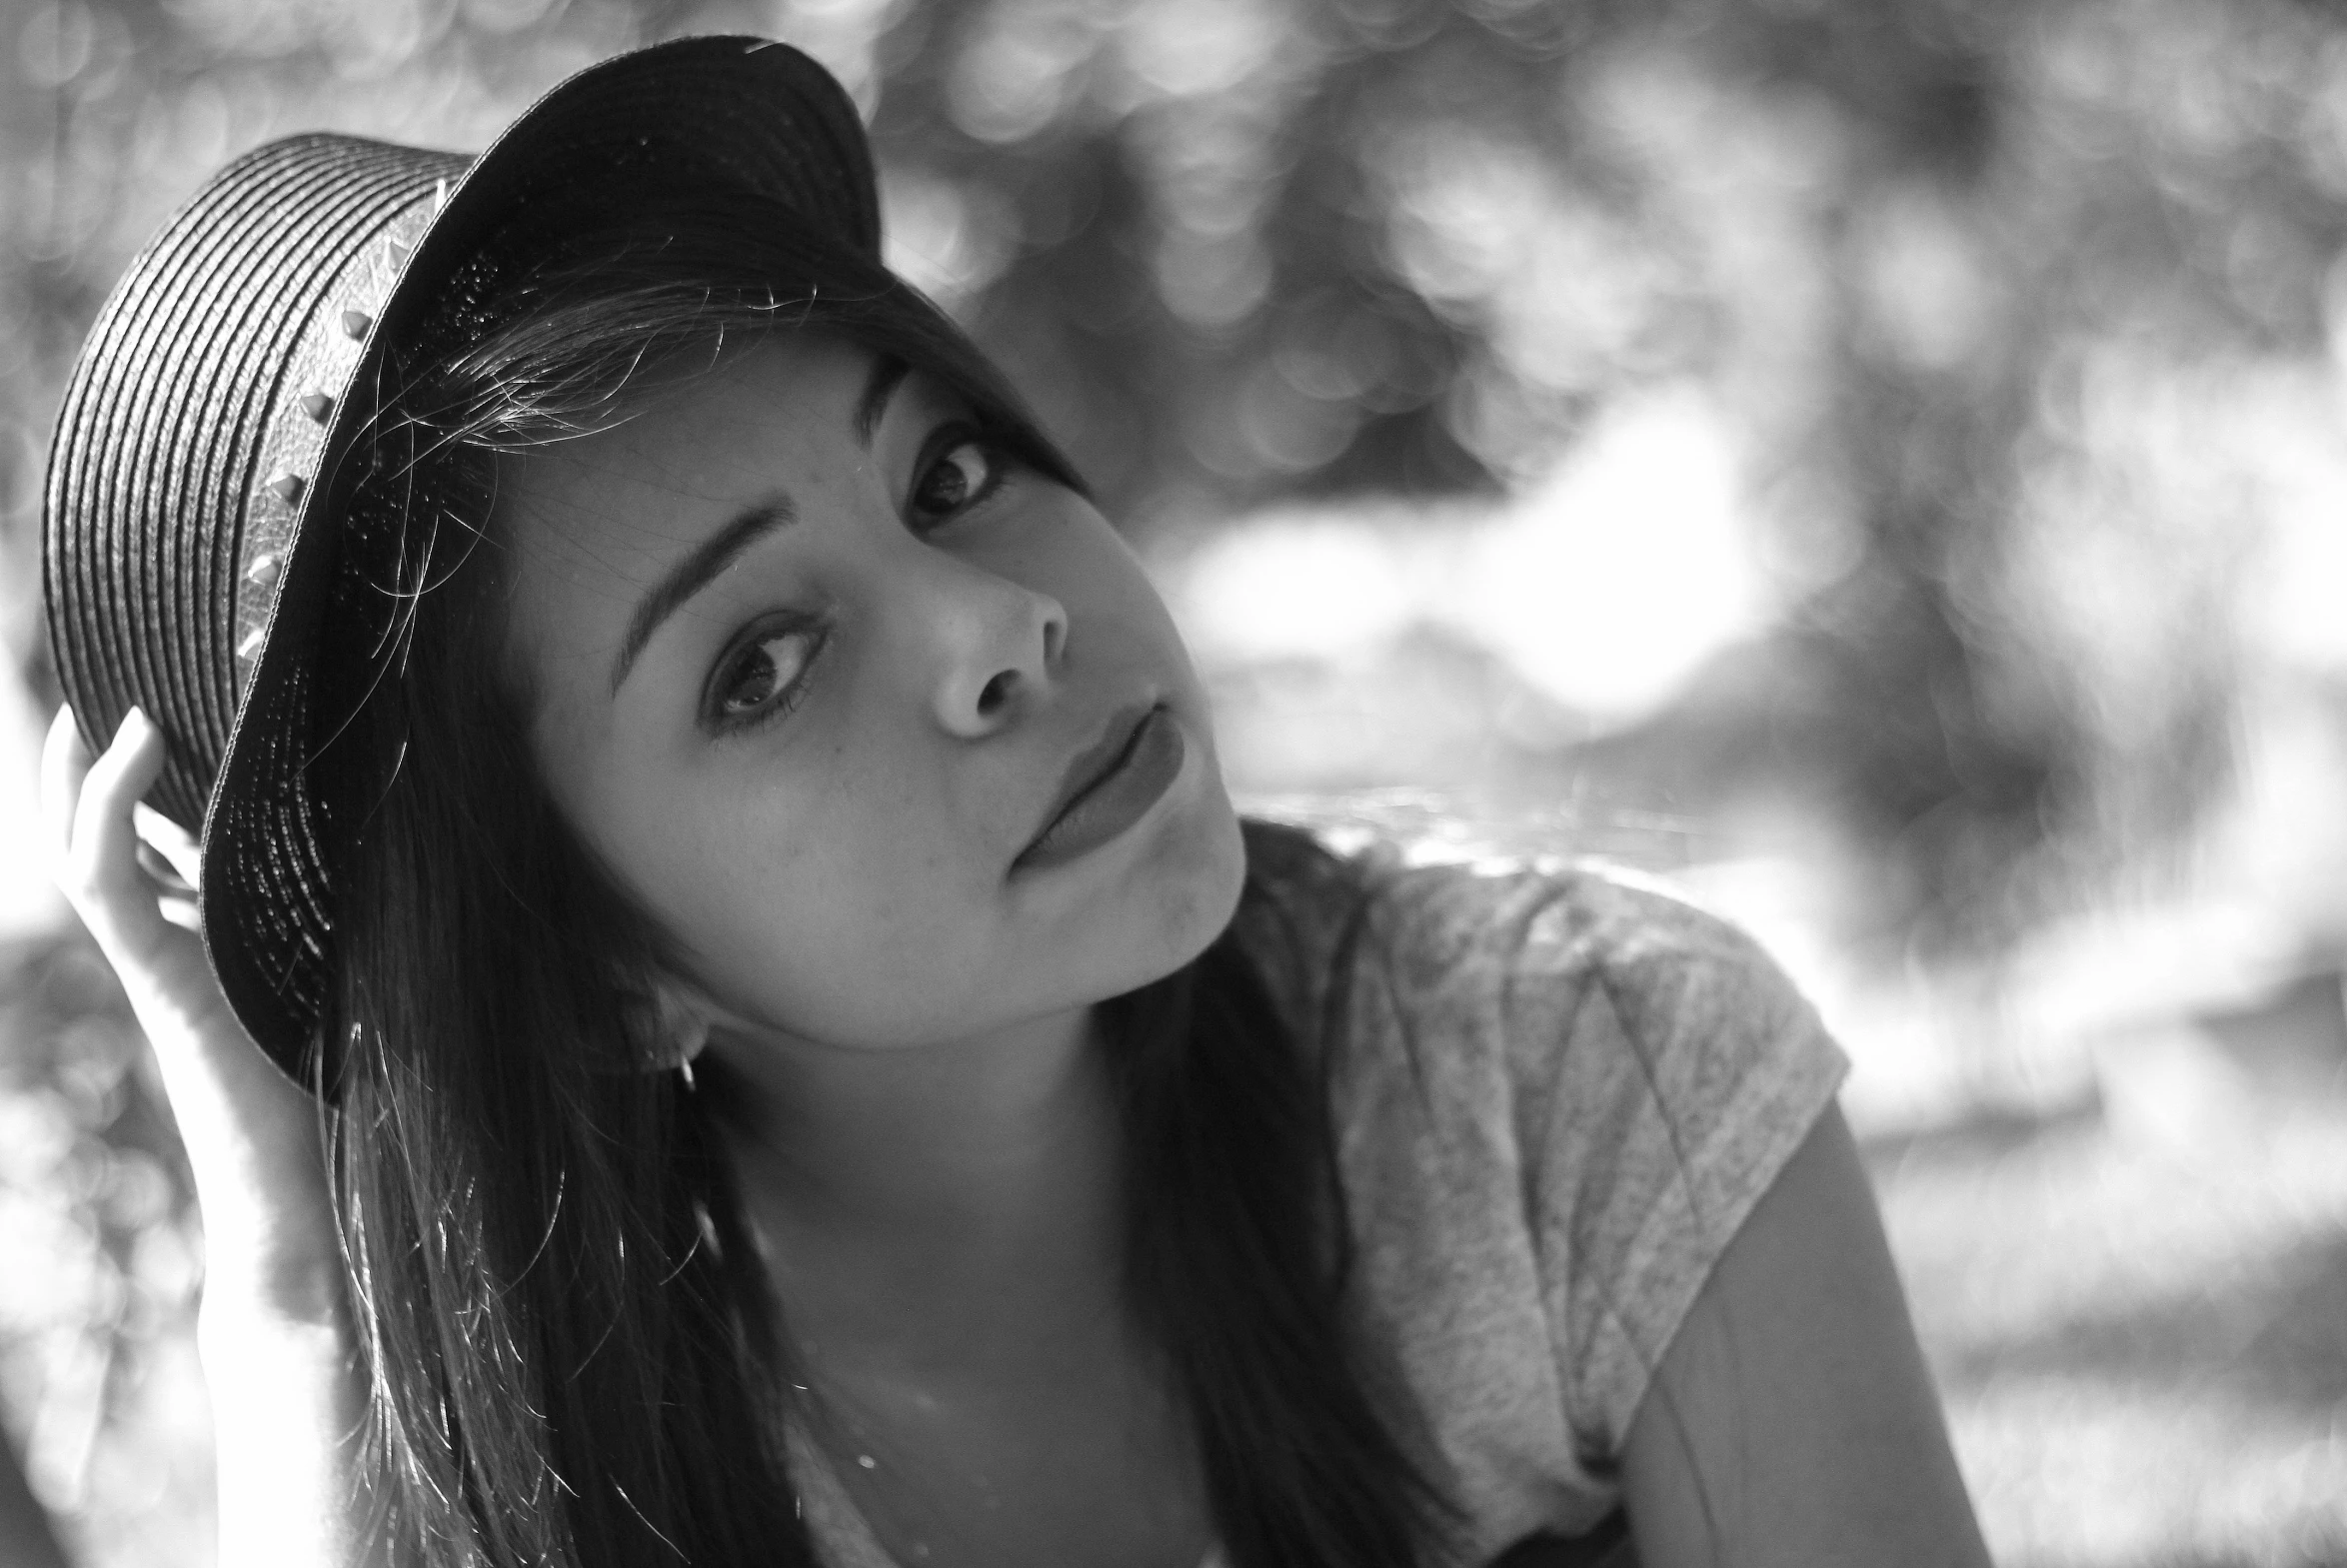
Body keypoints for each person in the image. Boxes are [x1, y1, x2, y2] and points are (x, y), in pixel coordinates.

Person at [37, 35, 1991, 1568]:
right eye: (760, 664)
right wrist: (295, 1298)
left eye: (947, 473)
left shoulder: (1570, 1085)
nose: (997, 630)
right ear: (597, 974)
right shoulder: (593, 1456)